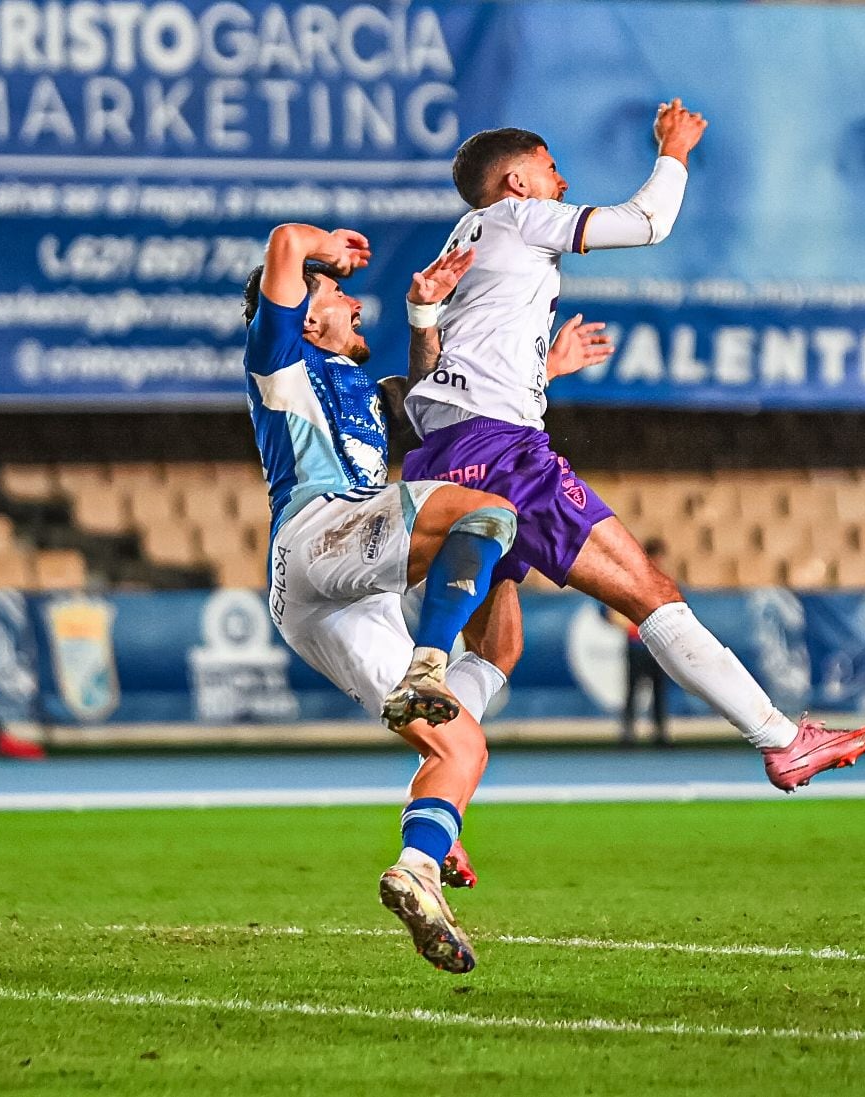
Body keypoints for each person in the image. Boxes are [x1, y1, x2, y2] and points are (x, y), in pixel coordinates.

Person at [401, 101, 865, 790]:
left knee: (496, 649)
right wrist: (674, 149)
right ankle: (782, 739)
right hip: (504, 453)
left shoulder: (464, 242)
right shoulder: (520, 217)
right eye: (550, 168)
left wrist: (541, 372)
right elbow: (647, 222)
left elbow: (433, 379)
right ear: (516, 182)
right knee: (649, 592)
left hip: (442, 457)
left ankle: (434, 804)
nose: (562, 182)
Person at [243, 225, 513, 974]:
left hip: (326, 597)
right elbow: (283, 241)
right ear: (305, 316)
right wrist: (323, 247)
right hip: (319, 528)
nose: (356, 304)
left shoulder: (362, 388)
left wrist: (431, 316)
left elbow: (426, 396)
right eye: (339, 294)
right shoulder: (280, 356)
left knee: (461, 745)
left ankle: (419, 865)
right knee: (485, 512)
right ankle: (431, 662)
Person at [612, 538, 673, 748]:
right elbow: (615, 614)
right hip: (638, 644)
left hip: (658, 644)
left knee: (658, 691)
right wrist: (635, 625)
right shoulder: (633, 580)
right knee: (633, 691)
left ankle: (660, 733)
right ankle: (628, 733)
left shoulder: (663, 581)